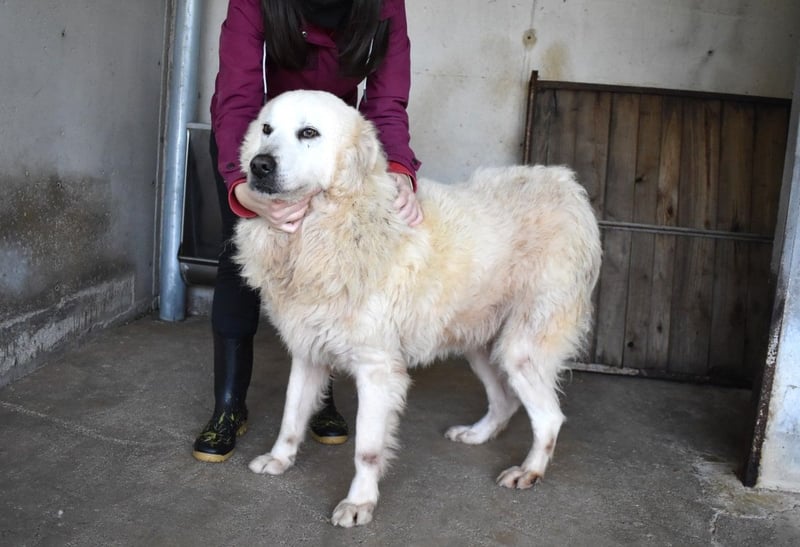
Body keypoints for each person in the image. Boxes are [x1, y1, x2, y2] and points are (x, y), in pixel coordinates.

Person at [193, 0, 422, 463]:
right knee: (240, 263)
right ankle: (229, 406)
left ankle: (321, 401)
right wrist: (242, 187)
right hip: (259, 141)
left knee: (333, 268)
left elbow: (385, 100)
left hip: (325, 144)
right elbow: (238, 95)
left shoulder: (384, 6)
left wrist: (398, 168)